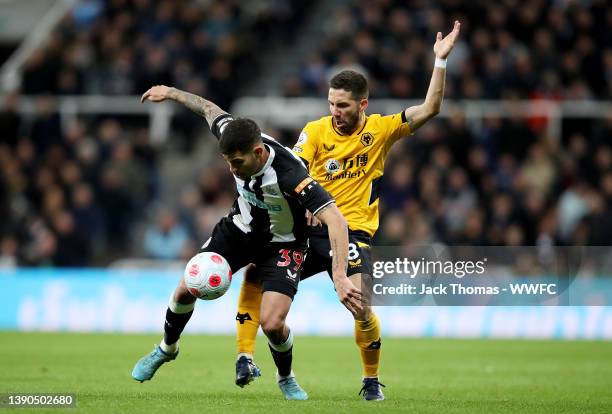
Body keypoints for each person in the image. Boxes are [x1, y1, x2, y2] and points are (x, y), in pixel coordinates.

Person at [233, 21, 462, 401]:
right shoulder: (316, 131)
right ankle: (245, 356)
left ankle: (371, 379)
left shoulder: (382, 130)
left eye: (343, 105)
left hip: (353, 233)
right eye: (331, 104)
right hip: (309, 230)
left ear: (362, 105)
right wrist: (304, 205)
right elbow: (294, 166)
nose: (335, 112)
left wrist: (439, 63)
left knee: (359, 304)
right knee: (256, 272)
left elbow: (431, 108)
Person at [131, 85, 362, 401]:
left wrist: (339, 277)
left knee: (272, 323)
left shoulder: (291, 173)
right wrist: (171, 93)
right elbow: (209, 109)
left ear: (258, 153)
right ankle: (166, 348)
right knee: (186, 286)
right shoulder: (234, 135)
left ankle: (286, 377)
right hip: (239, 230)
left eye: (237, 162)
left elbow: (336, 219)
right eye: (227, 161)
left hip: (285, 245)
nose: (231, 169)